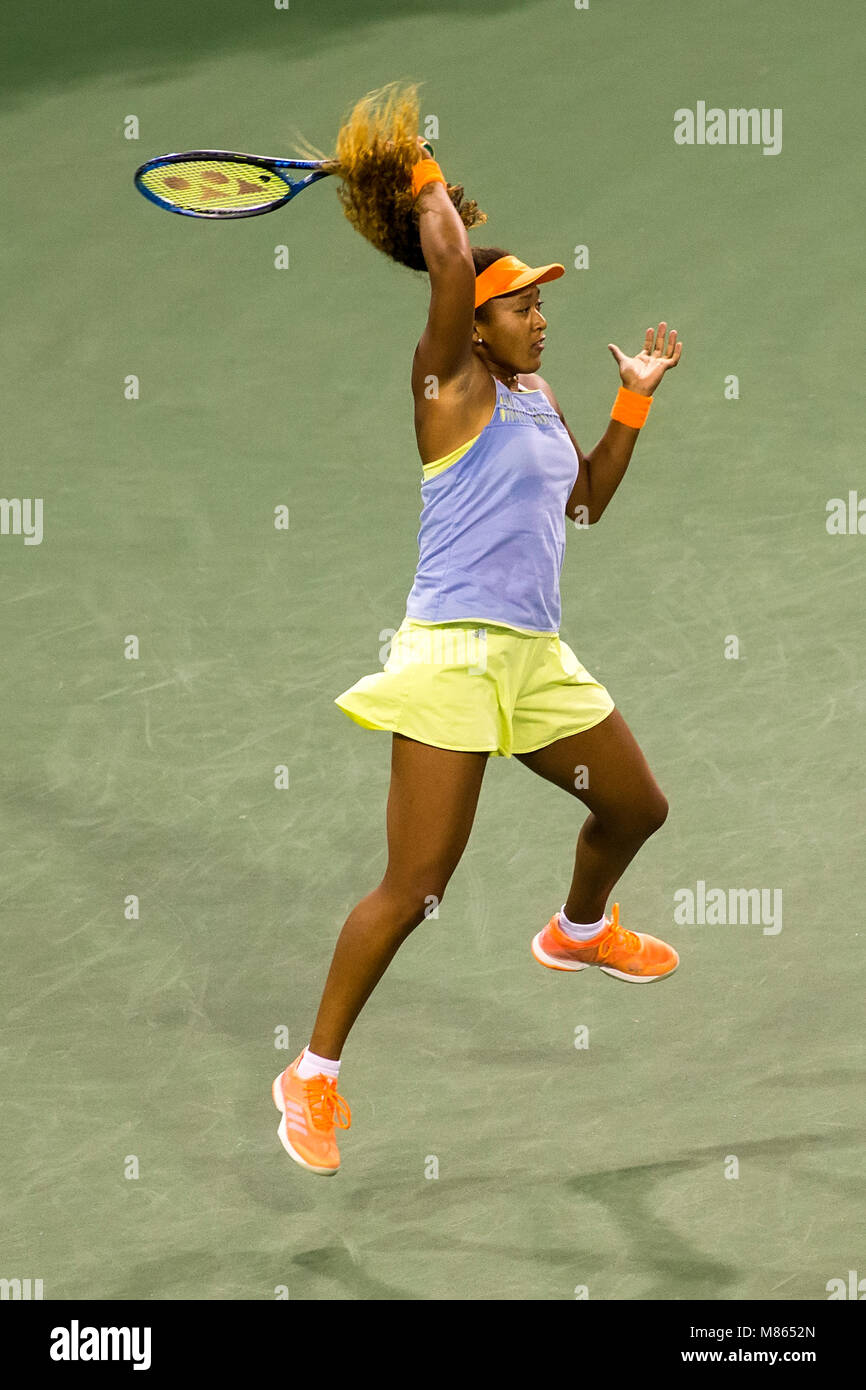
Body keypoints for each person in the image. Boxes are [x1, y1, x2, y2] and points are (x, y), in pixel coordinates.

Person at [272, 131, 683, 1177]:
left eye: (542, 304)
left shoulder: (538, 399)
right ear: (475, 327)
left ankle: (577, 929)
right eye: (520, 307)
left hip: (535, 659)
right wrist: (410, 165)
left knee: (636, 807)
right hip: (451, 660)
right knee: (414, 886)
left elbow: (579, 503)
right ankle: (310, 1076)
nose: (540, 318)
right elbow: (448, 263)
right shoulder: (442, 385)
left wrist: (631, 399)